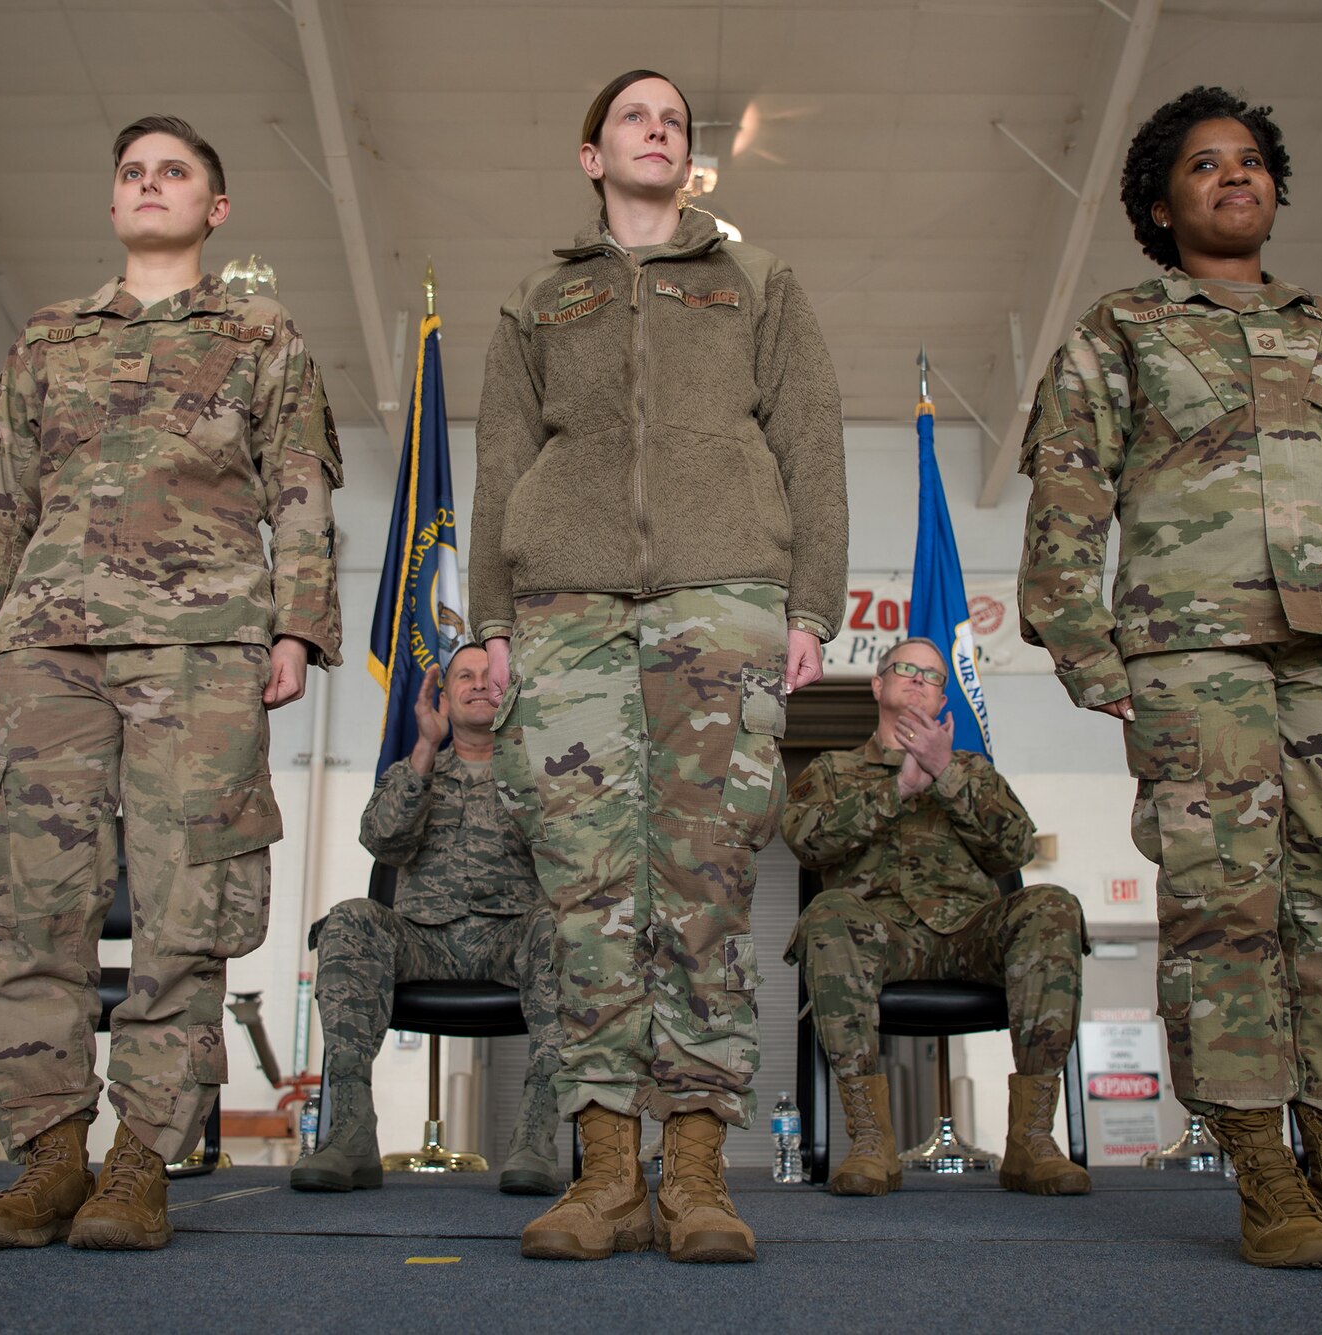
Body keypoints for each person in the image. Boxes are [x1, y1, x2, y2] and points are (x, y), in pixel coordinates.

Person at [1017, 86, 1322, 1269]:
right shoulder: (1120, 329)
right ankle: (1262, 1174)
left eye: (1252, 160)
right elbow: (1067, 491)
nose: (1235, 176)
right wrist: (1085, 651)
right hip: (1191, 648)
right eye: (1205, 164)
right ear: (1160, 204)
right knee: (1223, 905)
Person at [0, 114, 342, 1251]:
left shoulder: (262, 334)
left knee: (184, 909)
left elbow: (300, 484)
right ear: (112, 202)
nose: (149, 185)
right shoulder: (47, 336)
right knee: (32, 905)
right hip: (49, 642)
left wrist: (297, 628)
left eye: (174, 173)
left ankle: (138, 1167)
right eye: (132, 173)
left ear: (215, 211)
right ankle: (49, 1161)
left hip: (202, 641)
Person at [471, 69, 848, 1263]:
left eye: (673, 122)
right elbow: (495, 464)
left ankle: (694, 1175)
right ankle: (598, 1176)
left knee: (706, 884)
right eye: (633, 116)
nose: (656, 129)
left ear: (688, 161)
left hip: (720, 598)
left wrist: (812, 605)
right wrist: (490, 616)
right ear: (592, 155)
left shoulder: (755, 284)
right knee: (582, 885)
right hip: (563, 610)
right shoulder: (539, 300)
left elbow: (810, 440)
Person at [783, 638, 1089, 1198]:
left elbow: (1015, 848)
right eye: (907, 670)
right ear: (878, 686)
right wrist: (899, 788)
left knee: (1052, 905)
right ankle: (871, 1139)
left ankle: (1032, 1139)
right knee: (826, 914)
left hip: (969, 936)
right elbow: (807, 842)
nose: (921, 680)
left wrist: (945, 773)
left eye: (934, 676)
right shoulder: (834, 769)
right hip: (881, 939)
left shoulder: (971, 769)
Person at [296, 645, 564, 1196]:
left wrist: (523, 763)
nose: (477, 685)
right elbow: (383, 842)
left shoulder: (543, 771)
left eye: (489, 677)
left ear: (508, 692)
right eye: (463, 676)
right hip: (422, 940)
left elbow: (570, 855)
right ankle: (349, 1134)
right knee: (349, 919)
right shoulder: (413, 768)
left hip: (511, 937)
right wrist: (424, 747)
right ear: (443, 697)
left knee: (564, 929)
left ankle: (536, 1136)